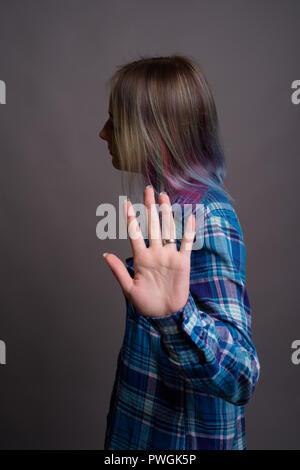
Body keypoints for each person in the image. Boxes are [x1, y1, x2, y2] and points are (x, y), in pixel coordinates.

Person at [98, 55, 260, 450]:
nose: (104, 134)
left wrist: (175, 316)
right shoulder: (171, 209)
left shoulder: (208, 218)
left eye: (116, 122)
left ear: (153, 133)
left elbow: (241, 374)